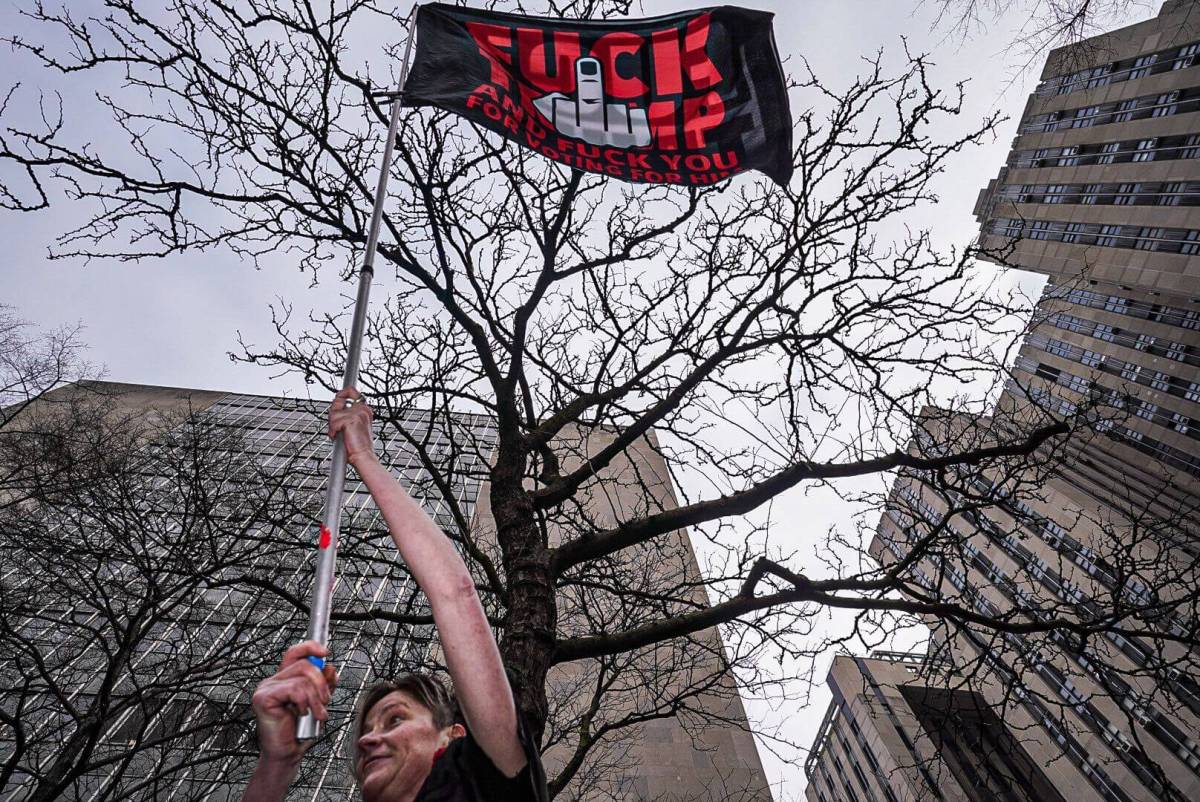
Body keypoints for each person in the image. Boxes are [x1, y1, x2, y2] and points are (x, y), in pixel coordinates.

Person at [241, 388, 547, 802]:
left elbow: (454, 594)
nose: (367, 741)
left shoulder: (485, 781)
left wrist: (363, 456)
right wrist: (277, 763)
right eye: (368, 731)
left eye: (394, 719)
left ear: (452, 737)